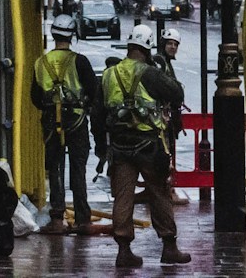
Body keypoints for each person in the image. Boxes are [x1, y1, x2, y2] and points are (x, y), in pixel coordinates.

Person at [102, 23, 190, 268]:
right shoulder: (149, 72)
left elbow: (99, 113)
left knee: (123, 196)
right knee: (159, 194)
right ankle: (169, 246)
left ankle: (123, 250)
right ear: (148, 48)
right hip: (149, 145)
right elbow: (176, 93)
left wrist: (101, 146)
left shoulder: (110, 74)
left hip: (120, 146)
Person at [29, 13, 102, 236]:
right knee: (78, 170)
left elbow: (35, 97)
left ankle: (57, 219)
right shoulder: (79, 61)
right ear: (72, 36)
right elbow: (94, 91)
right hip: (77, 122)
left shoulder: (41, 63)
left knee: (55, 169)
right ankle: (82, 219)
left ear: (53, 35)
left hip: (51, 122)